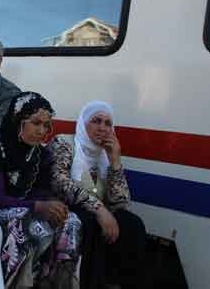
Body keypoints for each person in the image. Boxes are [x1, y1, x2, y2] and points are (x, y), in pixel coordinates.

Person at [0, 92, 112, 288]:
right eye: (36, 123)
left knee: (70, 220)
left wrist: (51, 204)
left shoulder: (39, 152)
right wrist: (37, 206)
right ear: (18, 120)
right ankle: (12, 283)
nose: (42, 131)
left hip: (27, 208)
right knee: (23, 222)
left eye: (46, 125)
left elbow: (41, 189)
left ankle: (58, 281)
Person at [67, 101, 146, 289]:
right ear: (83, 122)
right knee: (89, 222)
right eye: (96, 121)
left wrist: (115, 161)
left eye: (108, 123)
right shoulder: (66, 144)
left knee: (132, 223)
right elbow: (62, 185)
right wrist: (99, 209)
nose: (102, 128)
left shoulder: (104, 155)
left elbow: (121, 202)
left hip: (99, 213)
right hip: (71, 208)